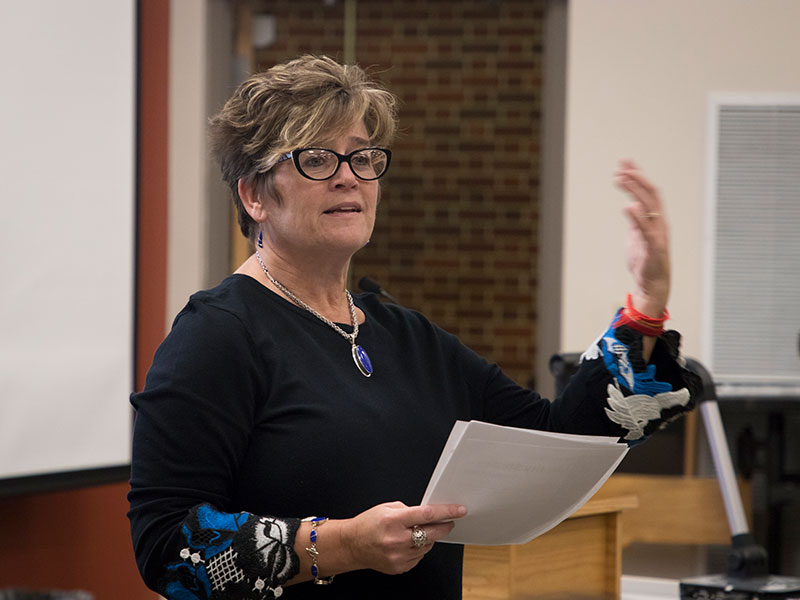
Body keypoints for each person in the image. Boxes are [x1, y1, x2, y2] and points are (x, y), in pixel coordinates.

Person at [128, 55, 699, 600]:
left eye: (362, 157)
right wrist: (343, 544)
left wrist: (646, 304)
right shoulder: (218, 336)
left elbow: (564, 441)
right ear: (254, 194)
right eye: (318, 158)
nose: (349, 178)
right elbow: (168, 549)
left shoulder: (408, 338)